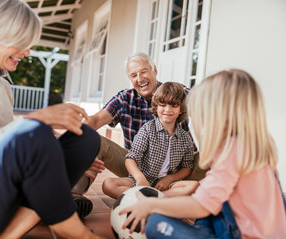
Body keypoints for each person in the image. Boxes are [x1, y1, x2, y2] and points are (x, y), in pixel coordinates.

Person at [0, 0, 104, 238]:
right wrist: (34, 121)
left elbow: (10, 148)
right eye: (21, 42)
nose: (27, 52)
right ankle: (76, 232)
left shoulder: (1, 85)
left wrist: (51, 155)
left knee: (87, 138)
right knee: (33, 129)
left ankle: (8, 234)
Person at [119, 69, 286, 238]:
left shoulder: (232, 151)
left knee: (155, 221)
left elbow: (201, 205)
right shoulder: (252, 146)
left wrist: (151, 205)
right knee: (210, 201)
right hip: (249, 228)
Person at [75, 52, 207, 217]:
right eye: (134, 75)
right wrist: (79, 145)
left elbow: (209, 110)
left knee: (222, 149)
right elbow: (94, 121)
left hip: (178, 171)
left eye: (144, 71)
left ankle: (228, 203)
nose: (140, 78)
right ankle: (74, 196)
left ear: (155, 70)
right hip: (137, 169)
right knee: (93, 140)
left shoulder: (178, 92)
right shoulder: (125, 99)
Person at [102, 82, 198, 199]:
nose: (168, 110)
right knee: (108, 184)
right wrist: (140, 178)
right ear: (156, 107)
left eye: (174, 106)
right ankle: (155, 200)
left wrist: (168, 179)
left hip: (165, 186)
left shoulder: (185, 138)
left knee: (194, 185)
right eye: (163, 105)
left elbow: (186, 167)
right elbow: (130, 159)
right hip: (141, 181)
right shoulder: (147, 129)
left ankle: (148, 200)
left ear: (181, 109)